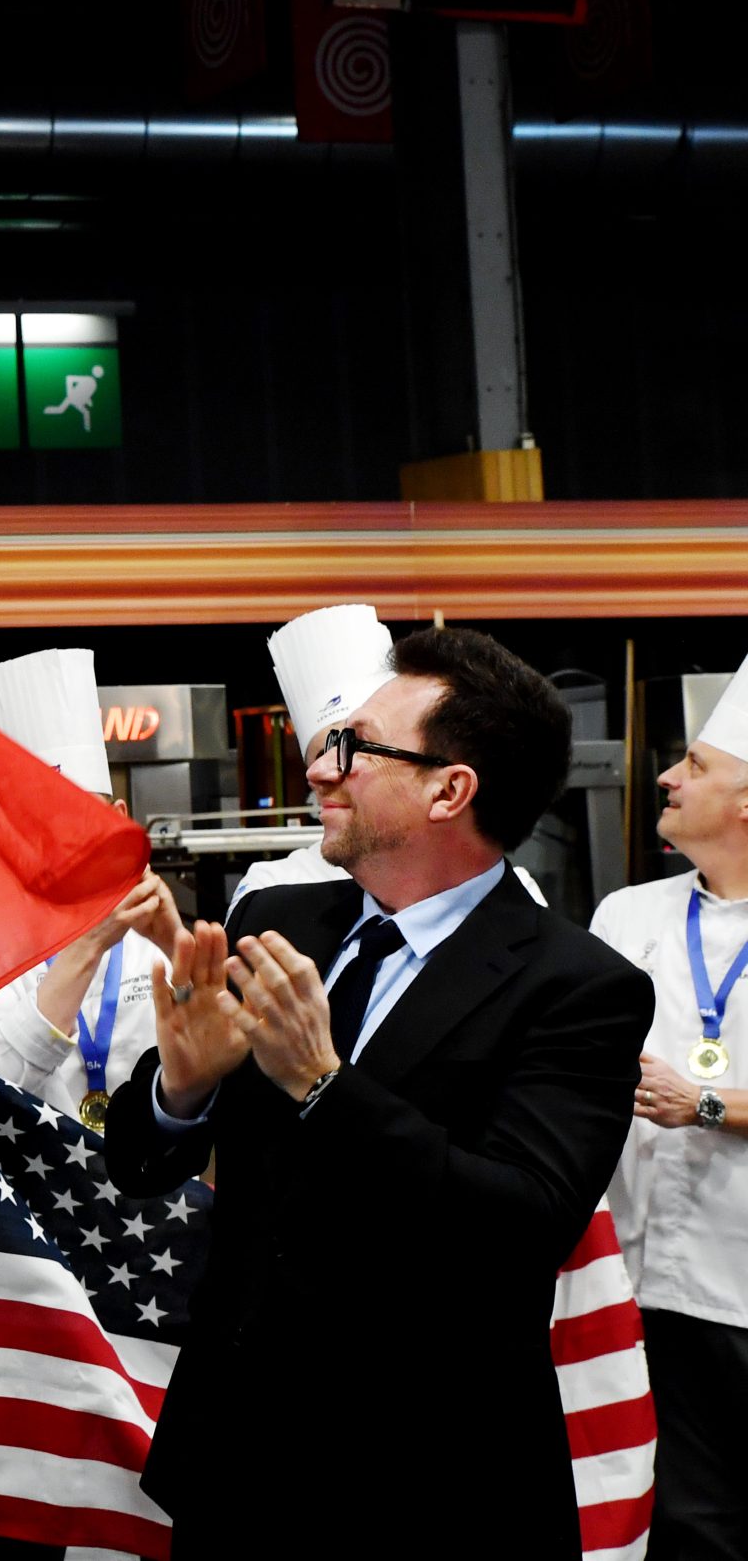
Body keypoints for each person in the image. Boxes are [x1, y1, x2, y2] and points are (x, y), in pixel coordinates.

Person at [105, 626, 654, 1558]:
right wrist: (181, 1088)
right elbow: (142, 1164)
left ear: (450, 790)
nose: (322, 768)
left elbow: (517, 1228)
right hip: (235, 1462)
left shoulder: (577, 986)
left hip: (429, 1483)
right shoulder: (277, 919)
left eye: (354, 746)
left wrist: (324, 1085)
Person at [592, 656, 748, 1558]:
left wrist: (707, 1104)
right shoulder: (627, 914)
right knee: (674, 1524)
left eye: (695, 763)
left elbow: (698, 1097)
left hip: (740, 1283)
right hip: (635, 1280)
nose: (667, 776)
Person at [0, 648, 181, 1134]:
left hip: (157, 1177)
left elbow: (223, 1065)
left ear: (119, 820)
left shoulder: (158, 935)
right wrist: (90, 944)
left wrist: (177, 947)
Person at [233, 602, 544, 913]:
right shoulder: (273, 895)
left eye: (358, 747)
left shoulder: (509, 902)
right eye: (322, 752)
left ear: (448, 791)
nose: (318, 773)